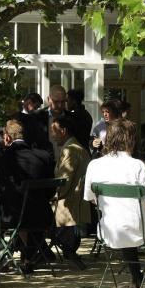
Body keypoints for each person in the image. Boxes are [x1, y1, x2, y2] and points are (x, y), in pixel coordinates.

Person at [84, 119, 145, 288]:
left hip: (109, 230)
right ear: (131, 140)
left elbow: (92, 199)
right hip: (140, 232)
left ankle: (136, 277)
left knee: (128, 220)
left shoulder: (94, 165)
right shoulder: (137, 166)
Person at [0, 119, 55, 273]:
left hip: (11, 216)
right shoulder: (43, 157)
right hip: (42, 215)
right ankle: (27, 258)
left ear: (7, 138)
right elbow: (51, 191)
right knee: (20, 209)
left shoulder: (1, 156)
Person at [49, 115, 91, 270]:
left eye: (54, 132)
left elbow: (63, 181)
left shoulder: (70, 150)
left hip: (69, 206)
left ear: (63, 131)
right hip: (75, 204)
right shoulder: (74, 147)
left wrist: (51, 196)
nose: (52, 136)